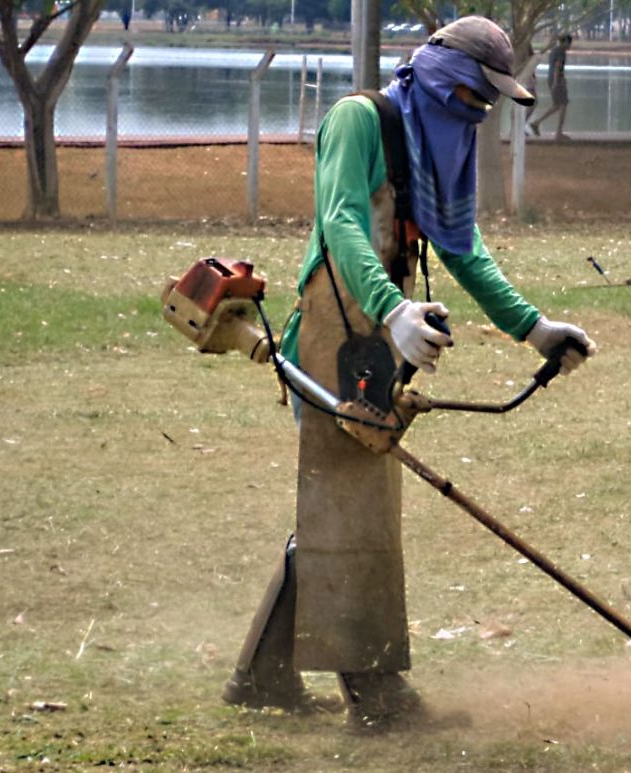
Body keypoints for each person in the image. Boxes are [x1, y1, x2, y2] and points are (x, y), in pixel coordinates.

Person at [221, 16, 597, 729]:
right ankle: (379, 698)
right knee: (349, 510)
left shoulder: (435, 156)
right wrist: (393, 309)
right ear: (435, 74)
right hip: (333, 336)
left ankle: (259, 677)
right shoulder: (357, 121)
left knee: (340, 507)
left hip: (378, 341)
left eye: (486, 105)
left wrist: (533, 327)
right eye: (469, 96)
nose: (475, 113)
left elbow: (464, 251)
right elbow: (341, 222)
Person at [526, 33, 572, 140]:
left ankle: (537, 123)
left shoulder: (554, 50)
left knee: (558, 105)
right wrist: (557, 82)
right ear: (565, 42)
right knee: (562, 105)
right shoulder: (561, 51)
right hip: (557, 81)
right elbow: (557, 66)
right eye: (569, 43)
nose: (570, 45)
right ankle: (557, 133)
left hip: (552, 79)